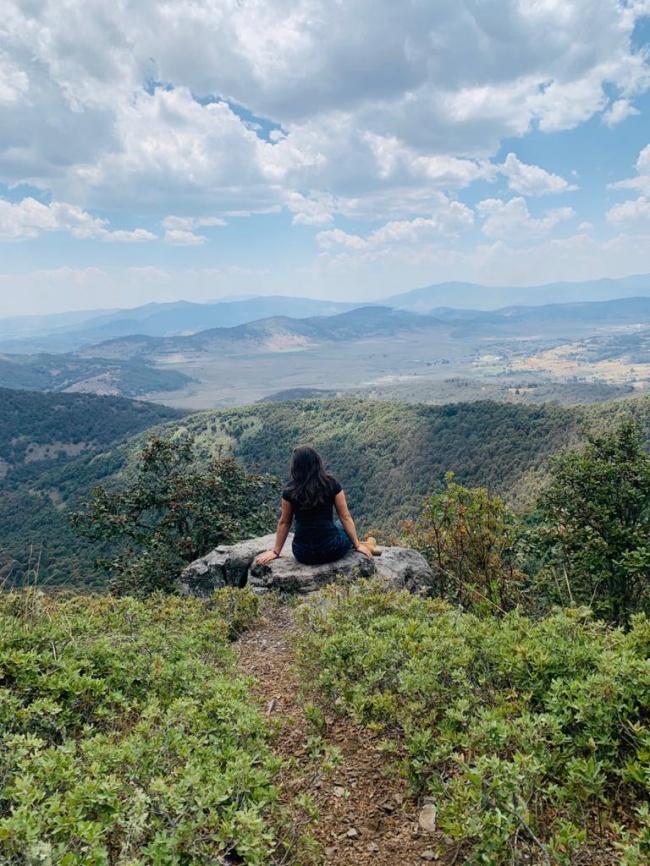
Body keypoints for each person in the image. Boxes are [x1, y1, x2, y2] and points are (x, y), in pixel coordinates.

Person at [254, 445, 374, 566]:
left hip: (303, 553)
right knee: (340, 524)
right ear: (317, 462)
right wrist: (357, 545)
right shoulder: (331, 484)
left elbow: (285, 522)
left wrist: (276, 552)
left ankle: (366, 543)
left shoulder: (289, 490)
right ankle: (366, 544)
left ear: (295, 466)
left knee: (337, 525)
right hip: (331, 549)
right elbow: (345, 516)